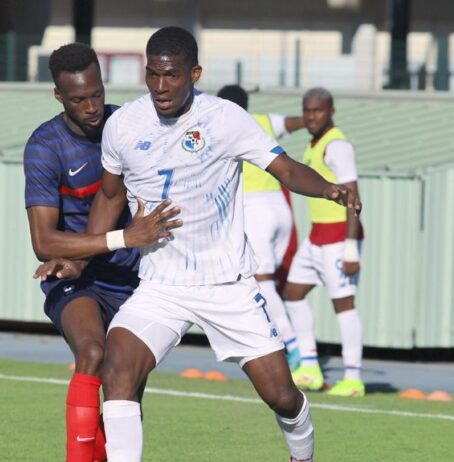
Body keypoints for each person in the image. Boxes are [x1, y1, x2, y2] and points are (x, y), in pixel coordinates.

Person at [60, 27, 360, 462]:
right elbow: (110, 197)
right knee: (118, 368)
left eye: (172, 75)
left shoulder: (225, 119)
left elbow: (286, 170)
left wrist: (330, 189)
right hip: (161, 286)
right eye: (152, 74)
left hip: (227, 285)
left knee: (281, 396)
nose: (160, 86)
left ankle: (303, 456)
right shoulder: (123, 125)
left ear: (194, 74)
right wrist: (81, 259)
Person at [24, 42, 181, 462]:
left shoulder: (129, 125)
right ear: (58, 96)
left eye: (97, 94)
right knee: (92, 353)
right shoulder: (45, 146)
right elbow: (44, 242)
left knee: (123, 389)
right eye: (79, 99)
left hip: (134, 279)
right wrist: (121, 239)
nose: (92, 107)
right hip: (75, 275)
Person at [283, 87, 365, 398]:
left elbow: (353, 196)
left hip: (338, 238)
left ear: (331, 112)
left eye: (318, 111)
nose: (311, 117)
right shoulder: (313, 143)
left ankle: (353, 378)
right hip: (316, 237)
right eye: (307, 111)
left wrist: (351, 247)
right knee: (292, 294)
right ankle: (309, 368)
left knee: (343, 305)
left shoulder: (337, 145)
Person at [217, 84, 303, 371]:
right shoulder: (263, 121)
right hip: (280, 208)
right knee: (270, 283)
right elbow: (294, 122)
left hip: (255, 210)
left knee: (262, 281)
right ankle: (293, 344)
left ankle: (293, 346)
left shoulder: (223, 126)